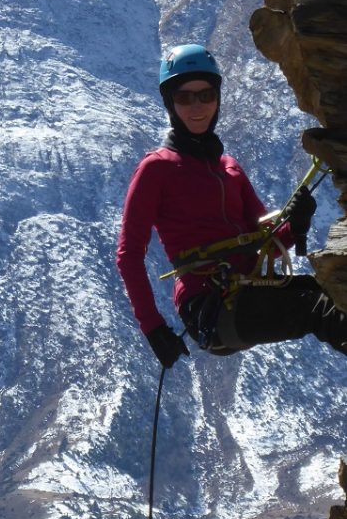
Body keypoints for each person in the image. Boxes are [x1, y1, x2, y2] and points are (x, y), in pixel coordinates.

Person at [117, 43, 347, 366]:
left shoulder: (230, 169)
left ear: (218, 98)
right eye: (184, 97)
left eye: (206, 95)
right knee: (315, 308)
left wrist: (296, 223)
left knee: (331, 294)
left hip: (245, 294)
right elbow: (129, 255)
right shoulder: (156, 169)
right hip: (207, 307)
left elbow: (270, 240)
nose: (197, 106)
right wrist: (153, 328)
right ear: (170, 103)